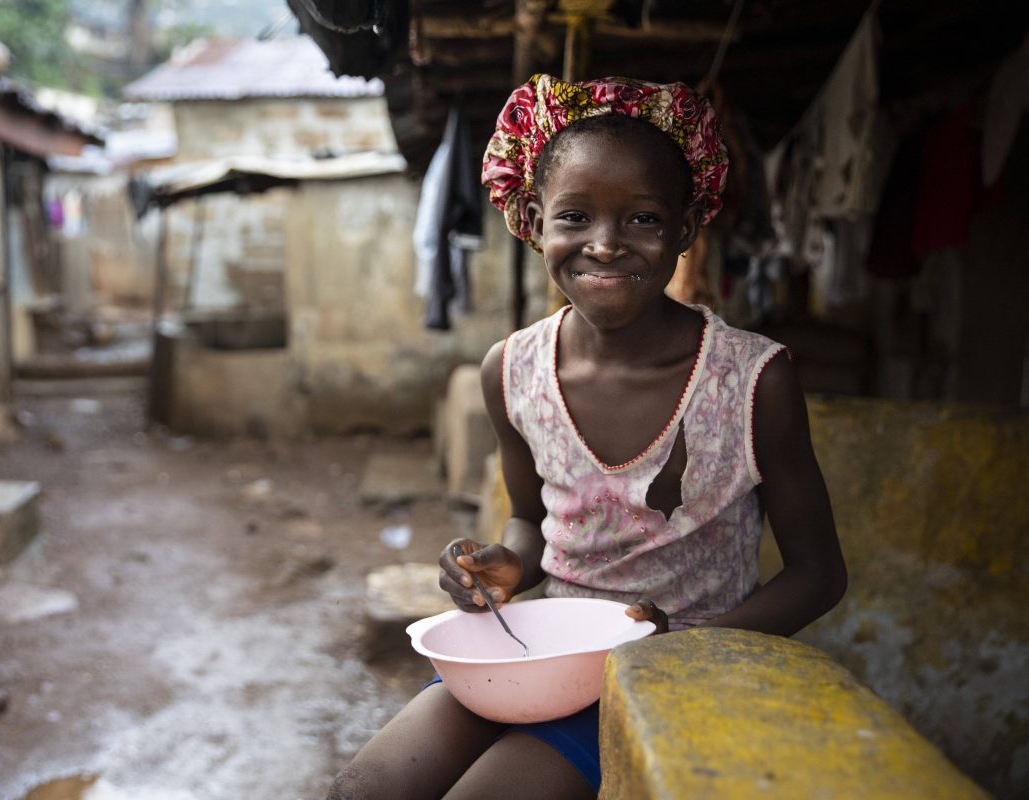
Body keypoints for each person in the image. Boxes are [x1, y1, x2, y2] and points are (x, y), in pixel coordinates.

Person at [327, 74, 847, 800]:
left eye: (642, 220)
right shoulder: (511, 372)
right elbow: (532, 522)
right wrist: (506, 565)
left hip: (679, 672)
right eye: (575, 216)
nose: (604, 246)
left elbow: (819, 575)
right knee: (366, 788)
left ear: (687, 229)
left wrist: (682, 646)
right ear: (534, 221)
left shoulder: (753, 381)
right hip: (543, 653)